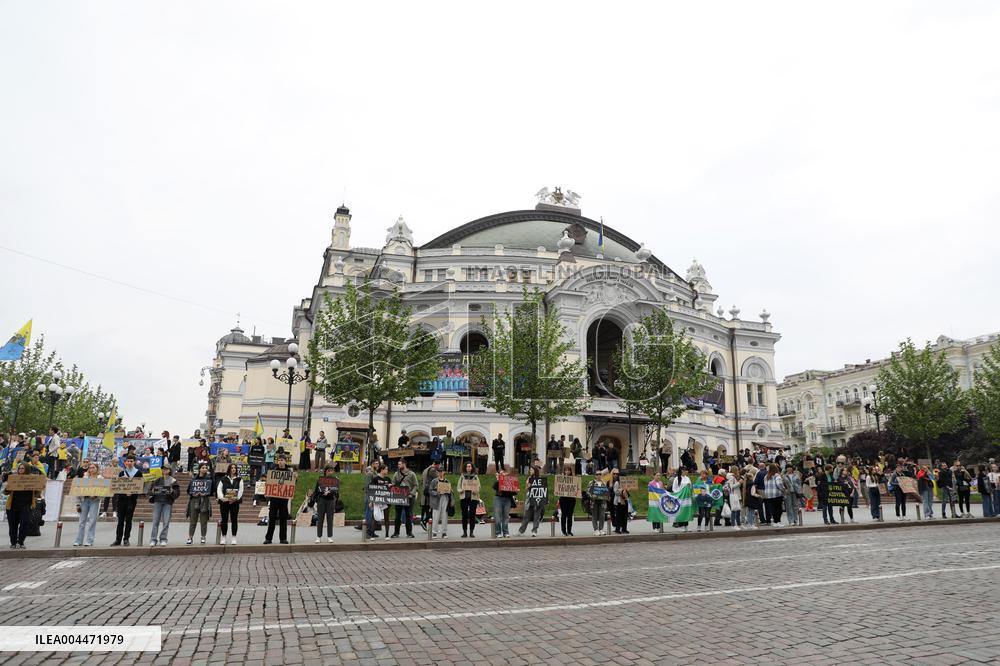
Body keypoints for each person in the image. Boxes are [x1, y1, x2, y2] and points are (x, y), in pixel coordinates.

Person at [4, 462, 40, 549]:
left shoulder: (31, 479)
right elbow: (6, 492)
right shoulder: (14, 478)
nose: (20, 470)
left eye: (22, 468)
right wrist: (8, 486)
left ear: (27, 469)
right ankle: (13, 542)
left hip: (26, 506)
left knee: (24, 524)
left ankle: (21, 542)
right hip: (12, 506)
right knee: (13, 525)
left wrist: (38, 487)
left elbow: (37, 494)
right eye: (19, 468)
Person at [112, 456, 144, 546]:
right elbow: (118, 486)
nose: (129, 462)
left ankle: (126, 539)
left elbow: (139, 487)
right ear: (125, 462)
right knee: (120, 521)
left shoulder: (138, 473)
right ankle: (118, 539)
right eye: (128, 461)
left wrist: (132, 493)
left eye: (131, 461)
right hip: (121, 500)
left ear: (134, 462)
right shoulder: (122, 473)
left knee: (128, 520)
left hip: (131, 500)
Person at [149, 463, 180, 546]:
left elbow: (177, 493)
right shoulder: (157, 480)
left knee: (166, 522)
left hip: (167, 502)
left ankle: (163, 539)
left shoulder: (173, 481)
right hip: (158, 501)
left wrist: (172, 491)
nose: (164, 470)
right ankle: (153, 539)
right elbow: (150, 491)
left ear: (169, 470)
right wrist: (152, 491)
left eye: (166, 469)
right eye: (163, 469)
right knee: (155, 521)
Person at [72, 463, 102, 547]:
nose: (91, 469)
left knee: (92, 521)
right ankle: (78, 540)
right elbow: (78, 490)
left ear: (97, 469)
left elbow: (103, 491)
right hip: (84, 500)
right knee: (81, 521)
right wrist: (77, 504)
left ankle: (89, 540)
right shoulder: (84, 478)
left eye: (93, 467)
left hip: (94, 500)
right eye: (90, 468)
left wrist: (96, 495)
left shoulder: (100, 479)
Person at [264, 456, 292, 544]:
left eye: (282, 460)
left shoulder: (289, 472)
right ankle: (268, 538)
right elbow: (269, 483)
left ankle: (283, 538)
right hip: (274, 499)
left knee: (283, 519)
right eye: (279, 460)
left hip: (284, 499)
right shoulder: (273, 471)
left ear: (285, 461)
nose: (280, 462)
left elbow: (292, 485)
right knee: (272, 518)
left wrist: (295, 477)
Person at [309, 464, 339, 543]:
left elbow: (336, 491)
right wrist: (322, 494)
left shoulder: (335, 480)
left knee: (330, 519)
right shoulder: (320, 480)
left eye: (331, 470)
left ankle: (330, 536)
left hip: (331, 500)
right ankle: (318, 536)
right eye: (329, 470)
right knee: (320, 519)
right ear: (325, 471)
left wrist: (332, 494)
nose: (330, 472)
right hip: (321, 500)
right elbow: (316, 491)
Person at [216, 462, 243, 545]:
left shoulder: (239, 479)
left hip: (234, 503)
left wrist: (236, 499)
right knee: (224, 519)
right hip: (224, 502)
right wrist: (222, 498)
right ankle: (223, 537)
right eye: (232, 468)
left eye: (235, 468)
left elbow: (241, 490)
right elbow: (219, 489)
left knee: (234, 519)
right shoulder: (223, 479)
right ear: (229, 469)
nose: (233, 469)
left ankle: (234, 537)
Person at [186, 464, 214, 545]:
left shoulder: (209, 479)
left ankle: (203, 536)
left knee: (204, 520)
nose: (205, 469)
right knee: (193, 520)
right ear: (199, 469)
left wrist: (205, 493)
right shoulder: (194, 479)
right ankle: (190, 537)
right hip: (194, 500)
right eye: (203, 468)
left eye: (206, 468)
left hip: (205, 500)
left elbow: (212, 491)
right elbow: (188, 490)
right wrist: (193, 494)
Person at [391, 459, 417, 538]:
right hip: (399, 497)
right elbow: (393, 484)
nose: (398, 466)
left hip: (409, 497)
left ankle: (409, 533)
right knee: (398, 515)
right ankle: (396, 532)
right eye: (398, 464)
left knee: (408, 515)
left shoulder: (411, 474)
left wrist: (412, 493)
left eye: (400, 464)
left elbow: (415, 485)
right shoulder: (396, 474)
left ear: (404, 464)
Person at [518, 466, 547, 536]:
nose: (530, 471)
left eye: (531, 470)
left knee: (537, 515)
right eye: (530, 470)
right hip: (530, 498)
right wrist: (529, 485)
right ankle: (521, 531)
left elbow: (544, 489)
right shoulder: (529, 478)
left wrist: (545, 499)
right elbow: (527, 488)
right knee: (526, 515)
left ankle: (534, 531)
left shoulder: (540, 479)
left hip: (538, 498)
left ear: (535, 471)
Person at [493, 465, 516, 538]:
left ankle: (505, 532)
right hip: (498, 498)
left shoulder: (510, 480)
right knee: (497, 516)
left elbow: (514, 492)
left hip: (507, 499)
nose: (503, 474)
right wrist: (498, 480)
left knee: (506, 516)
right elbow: (494, 487)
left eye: (504, 473)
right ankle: (498, 532)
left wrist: (515, 489)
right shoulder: (498, 480)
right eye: (501, 473)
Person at [429, 467, 452, 539]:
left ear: (444, 472)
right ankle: (434, 532)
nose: (440, 473)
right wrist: (436, 493)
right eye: (439, 471)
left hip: (445, 499)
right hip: (436, 500)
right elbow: (430, 490)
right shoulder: (434, 481)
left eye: (441, 471)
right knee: (435, 516)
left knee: (445, 516)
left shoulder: (447, 481)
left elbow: (450, 491)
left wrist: (448, 491)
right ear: (437, 472)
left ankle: (444, 532)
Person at [458, 462, 478, 538]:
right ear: (465, 468)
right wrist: (460, 490)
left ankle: (471, 532)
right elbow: (459, 486)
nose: (468, 468)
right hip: (464, 497)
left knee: (472, 515)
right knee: (464, 515)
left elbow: (478, 486)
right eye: (467, 467)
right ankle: (464, 532)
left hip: (473, 498)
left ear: (472, 468)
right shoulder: (462, 476)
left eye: (470, 466)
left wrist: (475, 491)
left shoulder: (475, 476)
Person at [419, 461, 440, 530]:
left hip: (425, 491)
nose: (439, 467)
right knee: (433, 507)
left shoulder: (426, 469)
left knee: (426, 507)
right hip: (430, 491)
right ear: (436, 464)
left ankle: (425, 521)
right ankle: (425, 521)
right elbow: (438, 478)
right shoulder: (432, 470)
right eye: (438, 466)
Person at [559, 465, 578, 536]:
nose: (567, 471)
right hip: (563, 499)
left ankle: (569, 530)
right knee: (564, 515)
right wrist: (562, 477)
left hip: (571, 499)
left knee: (570, 515)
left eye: (568, 470)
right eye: (566, 470)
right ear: (564, 471)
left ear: (570, 471)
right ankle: (563, 530)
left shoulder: (573, 479)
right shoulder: (561, 478)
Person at [671, 468, 691, 532]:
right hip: (680, 497)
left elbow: (690, 487)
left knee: (686, 511)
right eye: (684, 470)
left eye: (686, 470)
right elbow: (674, 488)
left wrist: (689, 486)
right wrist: (678, 494)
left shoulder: (687, 478)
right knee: (681, 511)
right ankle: (681, 525)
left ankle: (686, 525)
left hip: (686, 497)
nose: (686, 471)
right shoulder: (677, 479)